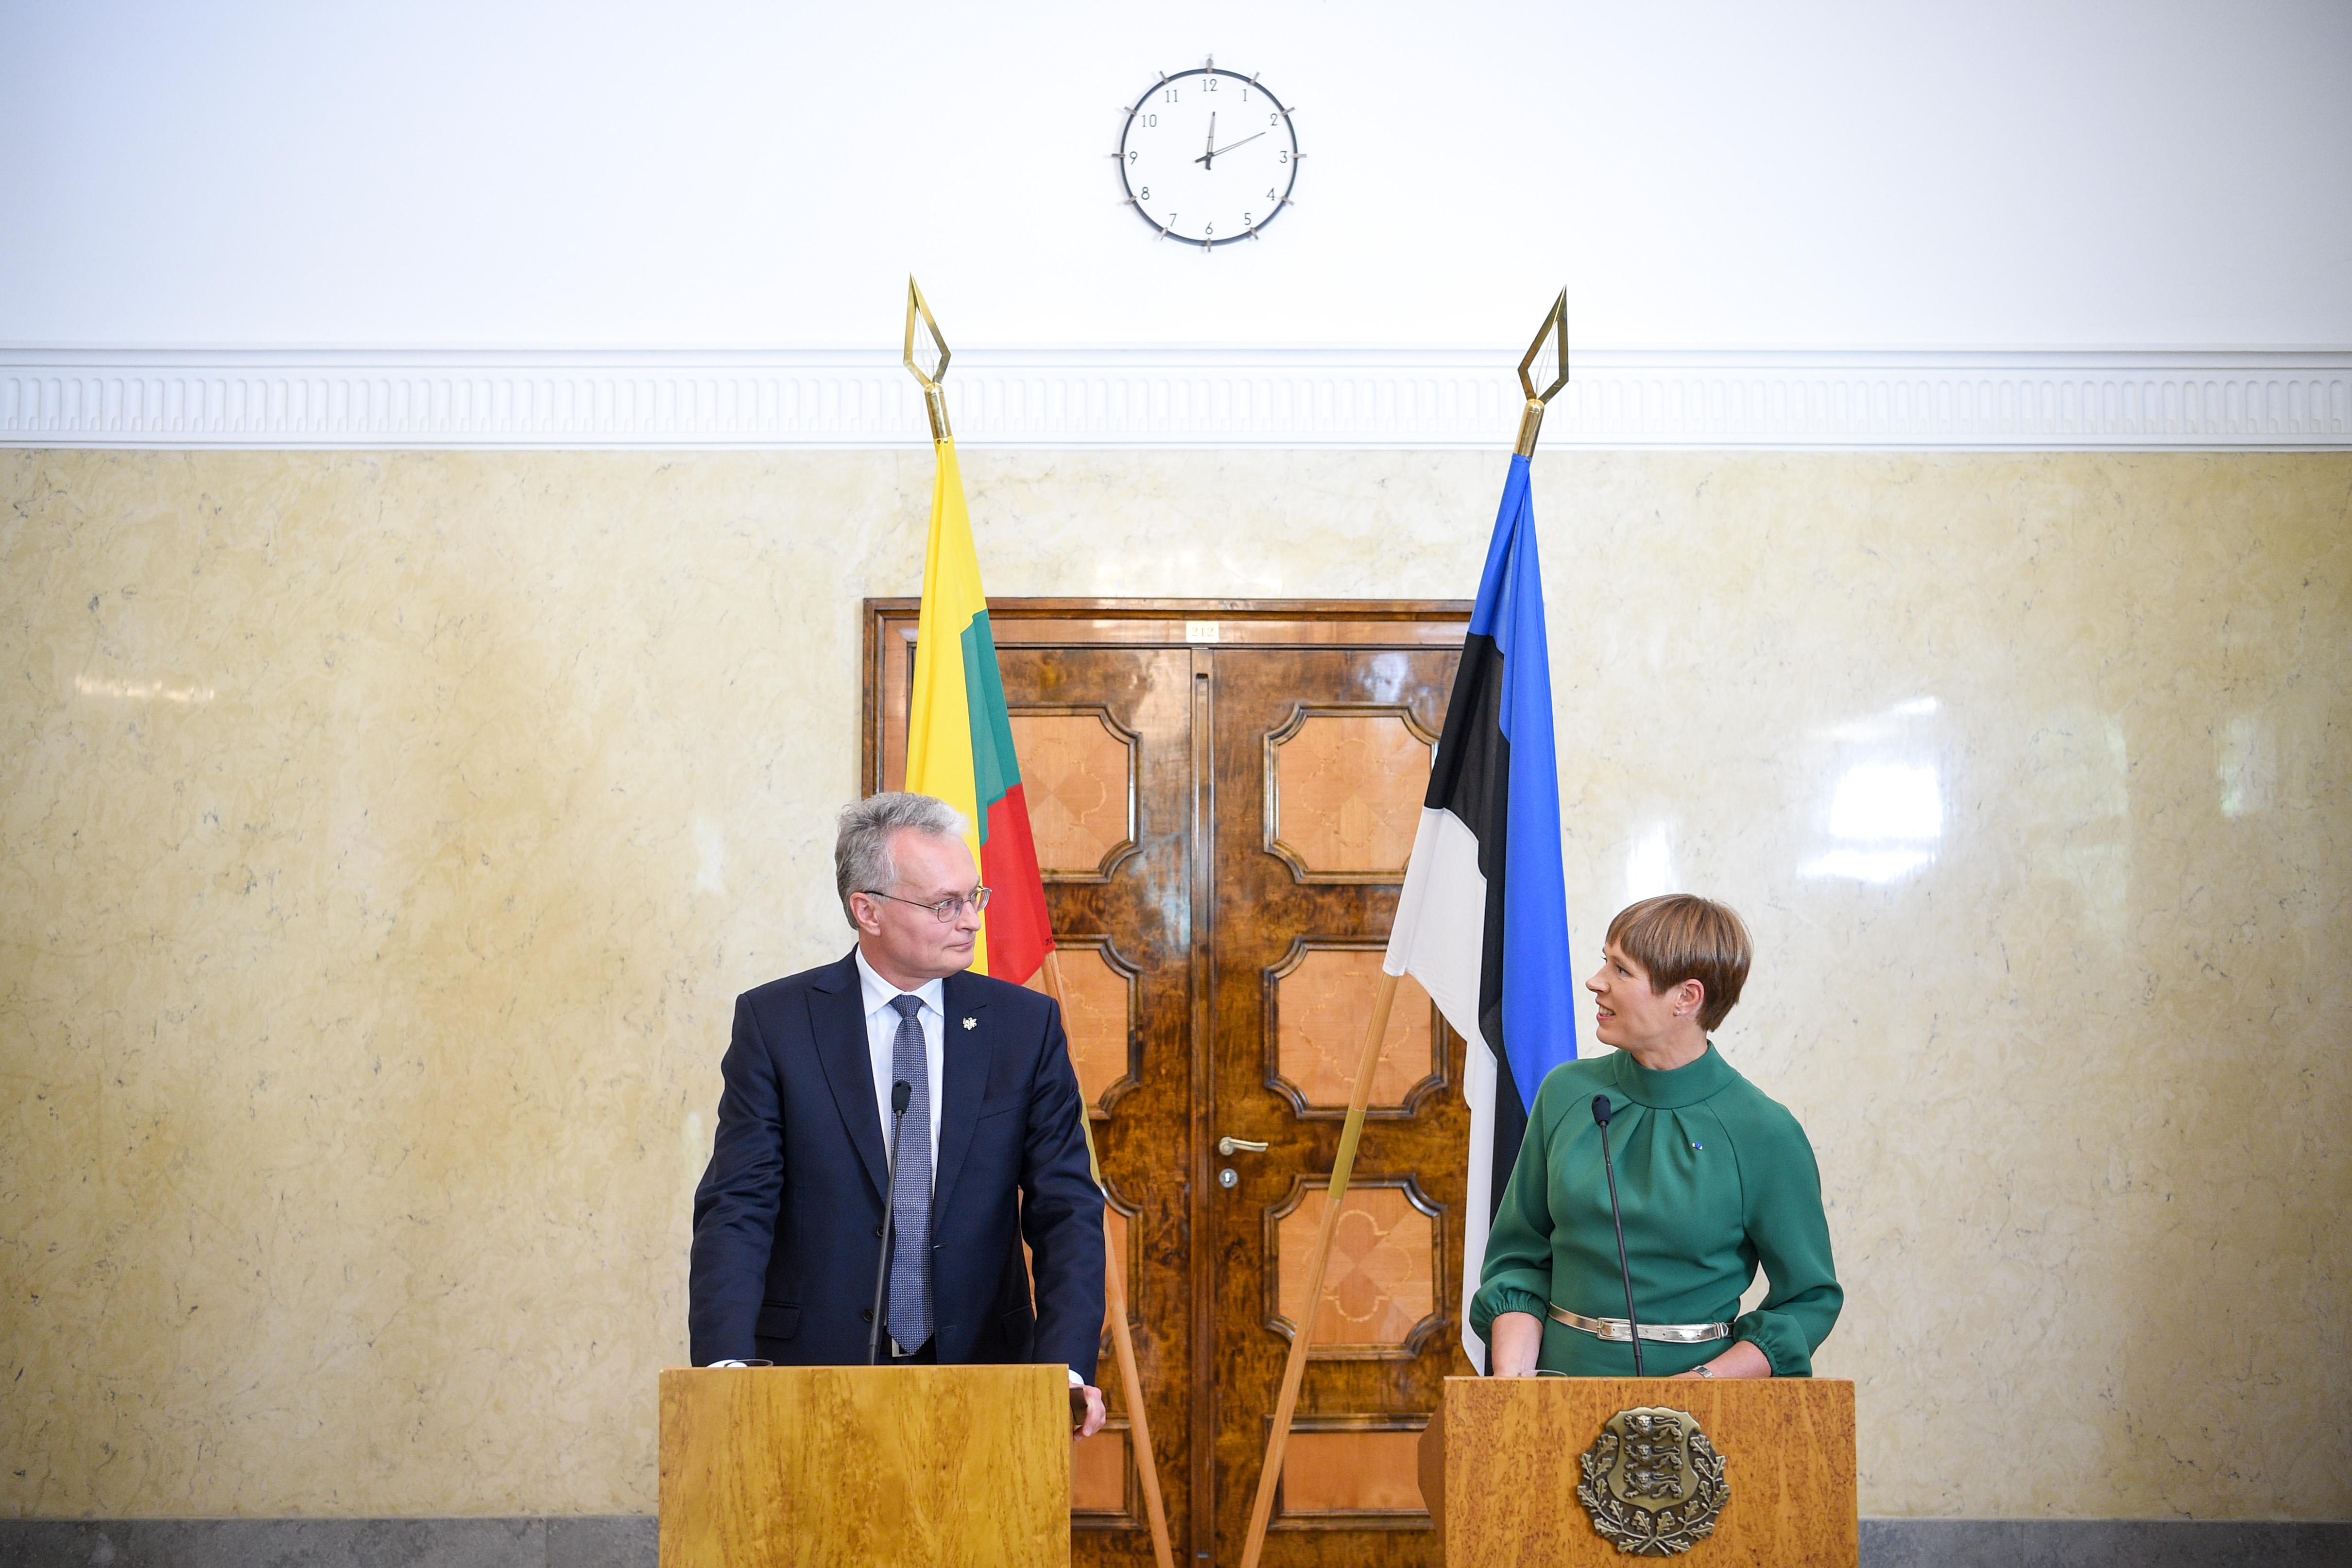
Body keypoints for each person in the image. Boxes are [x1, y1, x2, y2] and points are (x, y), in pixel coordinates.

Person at [689, 792, 1108, 1435]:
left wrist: (1065, 1368)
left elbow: (1066, 1207)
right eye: (945, 903)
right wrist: (724, 1364)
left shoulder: (1024, 1027)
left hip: (984, 1368)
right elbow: (739, 1203)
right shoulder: (777, 1024)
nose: (970, 921)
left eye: (975, 897)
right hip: (811, 1372)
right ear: (868, 909)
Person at [1472, 895, 1840, 1379]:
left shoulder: (1763, 1130)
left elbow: (1809, 1299)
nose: (1595, 981)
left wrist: (1699, 1387)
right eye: (1605, 960)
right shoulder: (1565, 1093)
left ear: (1686, 997)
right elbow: (1518, 1261)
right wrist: (1512, 1385)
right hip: (1556, 1392)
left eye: (1621, 970)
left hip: (1697, 1414)